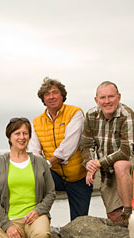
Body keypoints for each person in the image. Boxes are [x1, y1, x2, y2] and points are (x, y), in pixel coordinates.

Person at [29, 77, 92, 221]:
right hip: (54, 175)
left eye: (55, 92)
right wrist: (41, 167)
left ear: (62, 95)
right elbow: (34, 150)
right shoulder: (36, 122)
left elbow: (68, 146)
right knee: (34, 178)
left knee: (79, 222)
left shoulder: (75, 113)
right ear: (43, 99)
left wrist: (47, 164)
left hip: (78, 176)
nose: (51, 97)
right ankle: (41, 221)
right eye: (47, 94)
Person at [81, 81, 134, 226]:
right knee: (113, 215)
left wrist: (97, 163)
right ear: (96, 100)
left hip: (130, 162)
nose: (107, 101)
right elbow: (86, 145)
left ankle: (128, 211)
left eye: (111, 97)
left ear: (118, 97)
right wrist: (89, 163)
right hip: (107, 169)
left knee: (120, 165)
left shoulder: (127, 115)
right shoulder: (91, 115)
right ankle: (123, 231)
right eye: (102, 98)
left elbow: (126, 151)